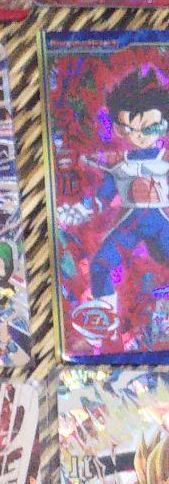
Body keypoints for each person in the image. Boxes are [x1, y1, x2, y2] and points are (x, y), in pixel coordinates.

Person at [68, 68, 169, 343]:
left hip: (160, 222)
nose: (139, 136)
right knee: (100, 265)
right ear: (120, 128)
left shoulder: (163, 159)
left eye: (150, 128)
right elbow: (103, 193)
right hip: (131, 223)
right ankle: (103, 326)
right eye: (130, 129)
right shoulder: (119, 164)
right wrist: (86, 207)